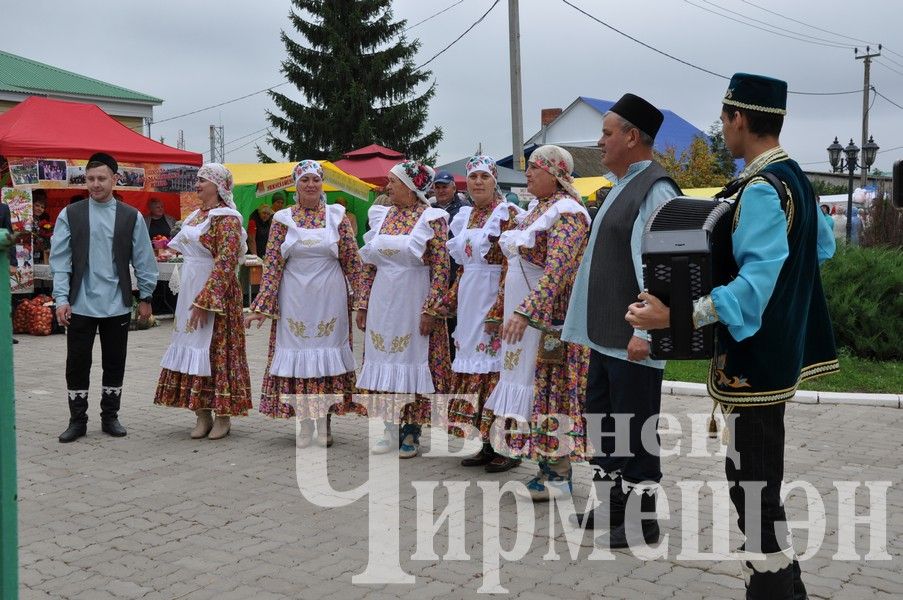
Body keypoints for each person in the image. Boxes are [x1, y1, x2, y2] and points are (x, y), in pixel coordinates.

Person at [626, 73, 838, 599]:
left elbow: (752, 287)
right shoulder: (796, 180)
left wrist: (673, 319)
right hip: (771, 356)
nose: (722, 131)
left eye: (723, 121)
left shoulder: (763, 189)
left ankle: (774, 589)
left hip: (755, 364)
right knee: (754, 482)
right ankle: (779, 584)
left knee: (754, 486)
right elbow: (821, 249)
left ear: (738, 118)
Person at [562, 93, 680, 547]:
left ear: (632, 137)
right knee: (605, 423)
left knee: (635, 427)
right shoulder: (621, 185)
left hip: (633, 339)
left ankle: (641, 519)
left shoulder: (656, 189)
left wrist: (642, 333)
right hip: (606, 336)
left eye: (607, 133)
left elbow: (659, 269)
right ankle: (612, 505)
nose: (600, 141)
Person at [483, 145, 591, 501]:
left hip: (551, 322)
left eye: (534, 168)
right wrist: (502, 310)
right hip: (526, 317)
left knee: (551, 392)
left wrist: (525, 311)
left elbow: (558, 271)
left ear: (555, 174)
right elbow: (512, 267)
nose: (527, 174)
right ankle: (546, 469)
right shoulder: (535, 211)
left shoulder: (568, 213)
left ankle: (558, 475)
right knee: (535, 392)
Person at [245, 160, 365, 446]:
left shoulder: (337, 217)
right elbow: (272, 264)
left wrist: (364, 300)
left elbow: (353, 261)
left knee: (326, 359)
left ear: (321, 183)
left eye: (315, 179)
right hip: (295, 297)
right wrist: (261, 307)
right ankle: (303, 422)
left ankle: (324, 423)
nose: (310, 184)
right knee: (299, 360)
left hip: (329, 297)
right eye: (304, 180)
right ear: (295, 185)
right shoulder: (282, 219)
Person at [50, 152, 158, 443]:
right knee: (77, 362)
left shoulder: (130, 216)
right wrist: (61, 299)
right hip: (80, 303)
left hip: (117, 302)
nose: (95, 184)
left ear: (115, 179)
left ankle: (110, 416)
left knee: (114, 361)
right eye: (90, 179)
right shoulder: (70, 215)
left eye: (101, 178)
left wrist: (146, 296)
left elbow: (144, 259)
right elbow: (60, 261)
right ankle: (77, 420)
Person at [355, 160, 451, 458]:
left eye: (393, 182)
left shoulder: (432, 218)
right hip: (384, 299)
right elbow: (368, 265)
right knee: (383, 357)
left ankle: (411, 429)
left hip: (414, 297)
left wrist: (431, 310)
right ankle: (388, 425)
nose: (388, 187)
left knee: (411, 359)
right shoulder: (381, 215)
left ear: (411, 187)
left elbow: (441, 268)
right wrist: (362, 303)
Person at [154, 163, 252, 440]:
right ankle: (201, 413)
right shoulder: (196, 216)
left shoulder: (228, 217)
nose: (196, 185)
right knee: (192, 346)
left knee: (217, 351)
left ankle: (222, 415)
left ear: (218, 186)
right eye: (197, 180)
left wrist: (205, 299)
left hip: (216, 293)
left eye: (202, 180)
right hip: (191, 286)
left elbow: (227, 261)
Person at [441, 155, 523, 473]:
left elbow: (509, 264)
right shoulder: (466, 217)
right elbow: (462, 269)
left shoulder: (505, 215)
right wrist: (447, 301)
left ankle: (509, 446)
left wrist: (499, 308)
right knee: (475, 373)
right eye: (473, 177)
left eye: (484, 177)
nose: (477, 182)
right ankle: (487, 444)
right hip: (470, 301)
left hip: (493, 299)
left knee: (497, 373)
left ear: (494, 181)